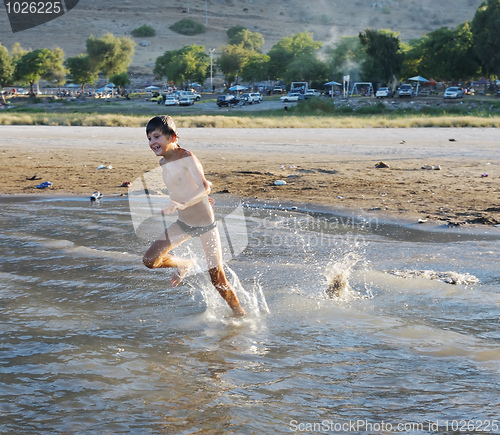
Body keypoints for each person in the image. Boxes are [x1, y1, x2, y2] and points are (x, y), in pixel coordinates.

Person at [142, 115, 246, 317]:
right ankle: (185, 264)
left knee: (217, 278)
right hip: (183, 222)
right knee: (150, 260)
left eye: (156, 137)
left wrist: (187, 202)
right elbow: (184, 188)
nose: (152, 142)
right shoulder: (164, 162)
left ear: (172, 137)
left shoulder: (186, 156)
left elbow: (206, 186)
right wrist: (179, 201)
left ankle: (240, 314)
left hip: (206, 224)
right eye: (148, 139)